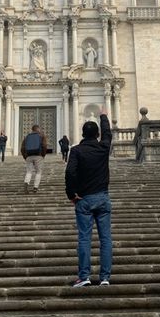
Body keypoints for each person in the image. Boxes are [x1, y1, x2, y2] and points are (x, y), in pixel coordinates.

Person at [65, 110, 112, 287]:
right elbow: (108, 134)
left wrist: (71, 193)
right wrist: (104, 116)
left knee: (84, 238)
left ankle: (84, 276)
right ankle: (105, 277)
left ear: (83, 134)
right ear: (97, 134)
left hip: (83, 199)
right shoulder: (103, 147)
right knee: (105, 238)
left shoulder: (76, 150)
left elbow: (70, 172)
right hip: (102, 197)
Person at [21, 124, 48, 193]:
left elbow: (22, 148)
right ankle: (35, 187)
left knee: (29, 171)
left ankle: (26, 183)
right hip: (38, 156)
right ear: (38, 129)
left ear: (32, 129)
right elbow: (44, 146)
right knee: (38, 172)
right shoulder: (42, 136)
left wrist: (25, 156)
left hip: (29, 156)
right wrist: (43, 155)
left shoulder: (27, 136)